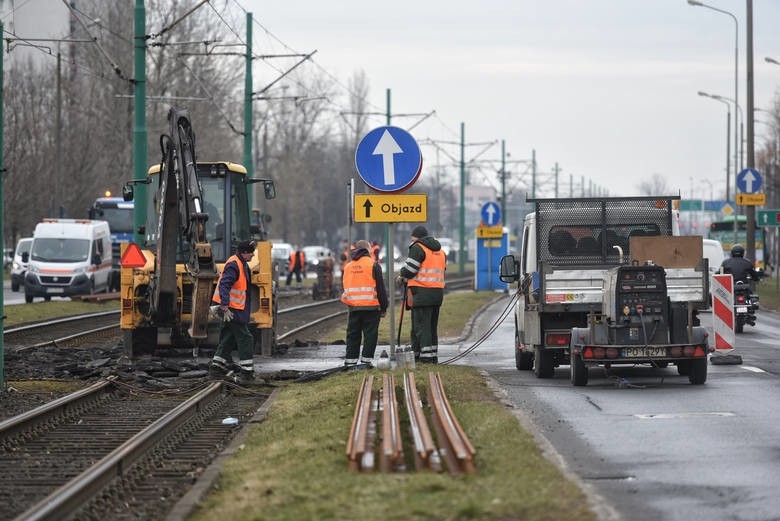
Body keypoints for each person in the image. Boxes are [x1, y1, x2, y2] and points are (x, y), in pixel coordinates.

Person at [209, 240, 257, 385]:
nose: (253, 255)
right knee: (246, 338)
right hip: (231, 309)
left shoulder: (240, 263)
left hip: (234, 307)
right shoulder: (234, 264)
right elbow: (224, 284)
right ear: (244, 252)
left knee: (228, 337)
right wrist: (224, 305)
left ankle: (216, 367)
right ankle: (247, 373)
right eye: (251, 252)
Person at [397, 225, 446, 363]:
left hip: (422, 293)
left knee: (421, 326)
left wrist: (401, 274)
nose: (412, 242)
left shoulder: (417, 248)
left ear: (416, 238)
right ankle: (432, 355)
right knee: (431, 326)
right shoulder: (440, 251)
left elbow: (410, 270)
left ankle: (425, 358)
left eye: (413, 239)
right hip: (437, 293)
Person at [341, 240, 388, 366]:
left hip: (354, 307)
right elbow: (381, 289)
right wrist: (384, 308)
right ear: (369, 250)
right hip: (371, 307)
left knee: (353, 334)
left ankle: (350, 362)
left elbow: (345, 286)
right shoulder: (373, 265)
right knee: (370, 335)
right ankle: (366, 362)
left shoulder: (348, 266)